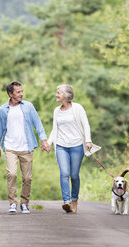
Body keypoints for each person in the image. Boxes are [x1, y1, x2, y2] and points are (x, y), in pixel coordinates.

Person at [0, 81, 50, 214]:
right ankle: (13, 203)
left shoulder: (28, 107)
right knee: (11, 174)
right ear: (10, 94)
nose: (21, 94)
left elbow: (38, 124)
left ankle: (24, 203)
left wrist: (44, 140)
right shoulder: (2, 110)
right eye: (18, 92)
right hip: (10, 147)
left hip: (26, 146)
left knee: (27, 178)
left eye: (22, 91)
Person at [47, 84, 100, 213]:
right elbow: (55, 129)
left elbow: (86, 125)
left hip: (76, 145)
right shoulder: (56, 111)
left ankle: (74, 199)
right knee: (64, 173)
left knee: (74, 175)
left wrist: (88, 140)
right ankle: (67, 202)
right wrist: (48, 143)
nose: (56, 95)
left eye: (58, 93)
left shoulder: (78, 108)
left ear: (65, 95)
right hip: (61, 146)